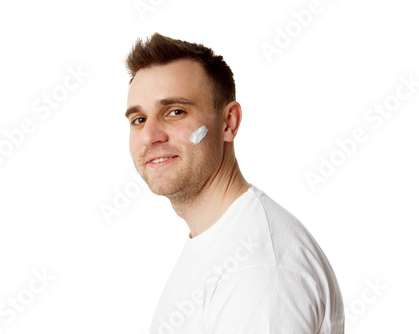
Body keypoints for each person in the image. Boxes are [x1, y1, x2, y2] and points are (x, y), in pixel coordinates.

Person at [124, 33, 344, 334]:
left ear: (228, 123)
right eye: (138, 119)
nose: (150, 136)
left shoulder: (256, 269)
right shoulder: (219, 241)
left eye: (175, 112)